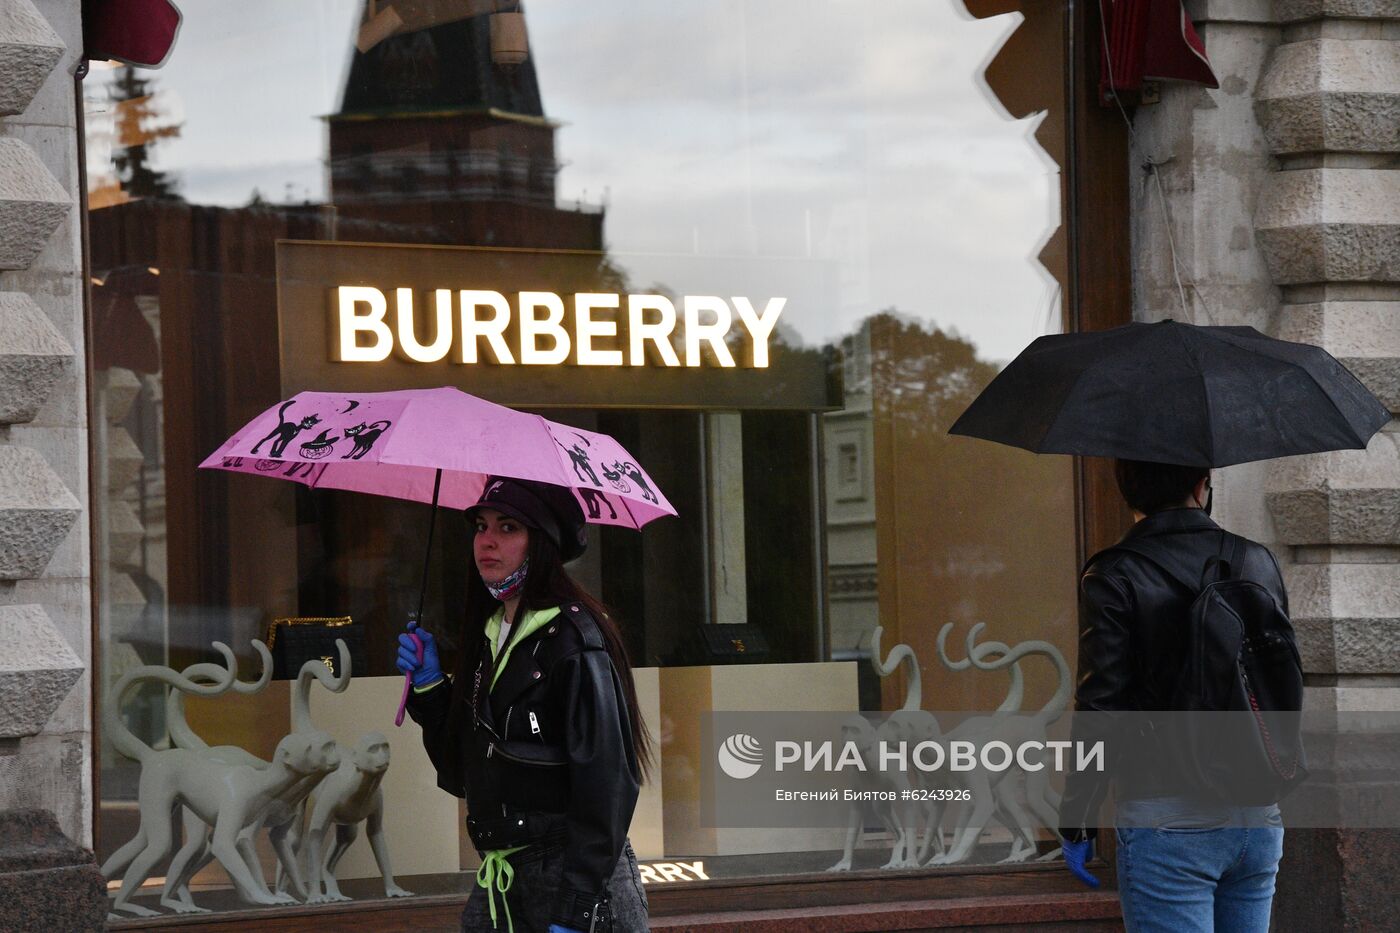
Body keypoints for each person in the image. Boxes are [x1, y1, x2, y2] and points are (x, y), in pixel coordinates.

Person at [397, 476, 652, 933]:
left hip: (576, 879)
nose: (487, 541)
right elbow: (461, 773)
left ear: (542, 544)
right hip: (502, 881)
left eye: (509, 527)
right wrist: (431, 690)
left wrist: (575, 910)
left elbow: (608, 784)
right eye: (480, 525)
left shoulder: (575, 640)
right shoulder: (487, 635)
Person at [1057, 459, 1289, 933]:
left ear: (1127, 489)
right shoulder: (1256, 561)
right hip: (1258, 811)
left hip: (1168, 815)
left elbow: (1101, 708)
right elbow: (1280, 681)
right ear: (1203, 485)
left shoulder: (1114, 573)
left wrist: (1077, 815)